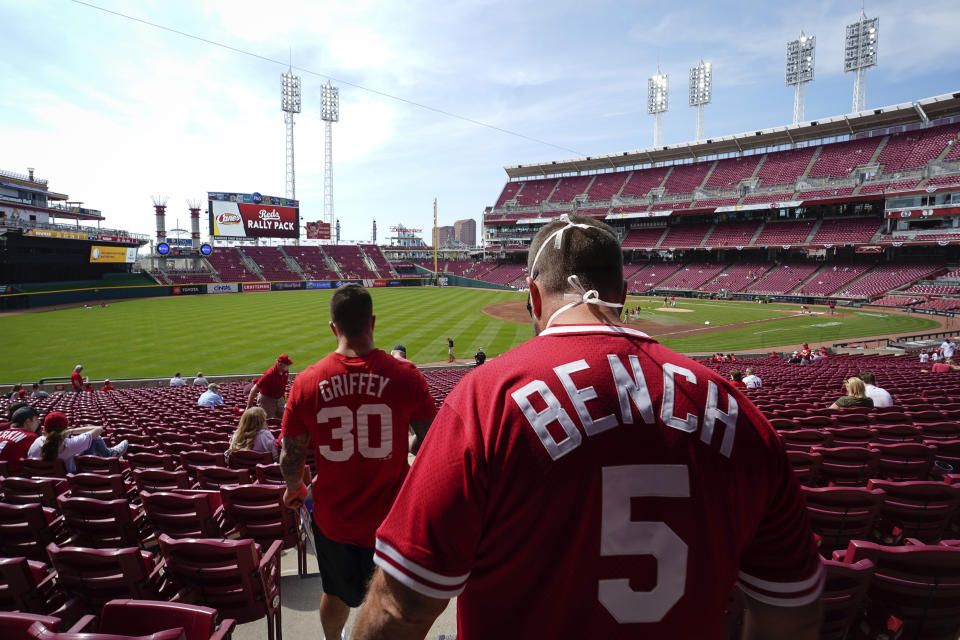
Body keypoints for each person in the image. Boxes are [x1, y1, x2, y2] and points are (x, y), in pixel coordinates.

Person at [354, 214, 822, 639]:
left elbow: (401, 608)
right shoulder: (738, 410)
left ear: (533, 297)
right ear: (624, 294)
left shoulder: (485, 398)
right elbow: (791, 614)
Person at [279, 284, 437, 640]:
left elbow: (290, 455)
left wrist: (295, 488)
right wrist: (407, 460)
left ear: (333, 327)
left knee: (335, 592)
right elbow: (431, 439)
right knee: (389, 598)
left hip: (334, 519)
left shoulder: (306, 382)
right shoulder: (407, 376)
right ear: (373, 322)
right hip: (391, 519)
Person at [27, 412, 128, 474]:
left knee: (92, 441)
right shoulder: (68, 445)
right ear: (65, 428)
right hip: (69, 482)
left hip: (42, 485)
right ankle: (110, 454)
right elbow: (99, 429)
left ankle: (110, 454)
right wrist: (71, 431)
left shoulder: (36, 442)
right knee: (95, 439)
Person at [245, 354, 292, 419]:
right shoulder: (269, 374)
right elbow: (253, 390)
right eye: (287, 364)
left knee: (285, 418)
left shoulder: (285, 372)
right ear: (280, 364)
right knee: (268, 420)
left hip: (279, 398)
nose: (288, 366)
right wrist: (248, 407)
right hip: (267, 399)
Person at [0, 406, 42, 473]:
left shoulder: (1, 432)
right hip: (13, 480)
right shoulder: (32, 437)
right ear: (27, 421)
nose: (39, 422)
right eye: (36, 419)